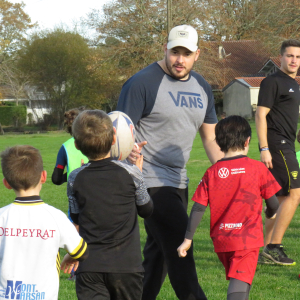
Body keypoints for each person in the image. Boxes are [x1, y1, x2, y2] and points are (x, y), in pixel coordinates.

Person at [117, 24, 223, 300]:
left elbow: (210, 139)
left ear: (197, 54)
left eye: (186, 53)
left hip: (178, 181)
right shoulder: (142, 83)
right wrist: (126, 150)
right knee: (180, 248)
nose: (179, 59)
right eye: (175, 51)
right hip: (148, 179)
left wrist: (228, 172)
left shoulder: (201, 87)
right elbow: (118, 130)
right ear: (165, 49)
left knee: (158, 256)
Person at [177, 116, 280, 300]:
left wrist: (188, 239)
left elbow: (198, 208)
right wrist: (270, 213)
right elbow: (273, 203)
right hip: (246, 242)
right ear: (248, 140)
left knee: (242, 284)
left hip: (222, 242)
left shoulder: (212, 172)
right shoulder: (257, 168)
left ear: (218, 143)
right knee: (238, 289)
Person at [67, 110, 153, 300]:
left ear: (76, 145)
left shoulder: (75, 178)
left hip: (89, 266)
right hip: (126, 266)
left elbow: (75, 217)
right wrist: (139, 177)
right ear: (114, 138)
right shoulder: (131, 174)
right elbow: (146, 210)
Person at [0, 145, 88, 300]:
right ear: (43, 176)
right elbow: (82, 252)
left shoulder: (2, 216)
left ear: (6, 183)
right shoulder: (56, 217)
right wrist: (71, 256)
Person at [255, 39, 300, 265]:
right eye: (290, 56)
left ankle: (264, 249)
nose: (294, 60)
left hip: (288, 144)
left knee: (282, 198)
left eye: (298, 57)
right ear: (280, 57)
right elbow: (260, 115)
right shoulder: (272, 82)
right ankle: (274, 246)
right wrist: (264, 148)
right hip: (277, 145)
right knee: (295, 194)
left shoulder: (295, 84)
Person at [52, 107, 88, 186]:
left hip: (75, 192)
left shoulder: (65, 147)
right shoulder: (96, 141)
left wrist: (70, 175)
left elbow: (56, 178)